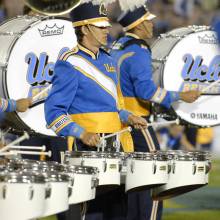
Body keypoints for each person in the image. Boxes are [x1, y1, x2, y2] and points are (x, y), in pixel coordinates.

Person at [45, 2, 147, 220]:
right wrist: (81, 133)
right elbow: (53, 112)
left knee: (117, 212)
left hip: (115, 147)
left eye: (106, 25)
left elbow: (115, 107)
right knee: (85, 213)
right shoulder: (70, 62)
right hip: (83, 150)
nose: (106, 30)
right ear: (84, 29)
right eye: (100, 26)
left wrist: (128, 116)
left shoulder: (109, 60)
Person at [110, 5, 200, 220]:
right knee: (152, 176)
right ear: (139, 25)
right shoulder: (139, 50)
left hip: (116, 122)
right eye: (148, 21)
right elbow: (146, 91)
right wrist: (180, 96)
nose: (152, 24)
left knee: (128, 181)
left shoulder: (117, 46)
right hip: (136, 122)